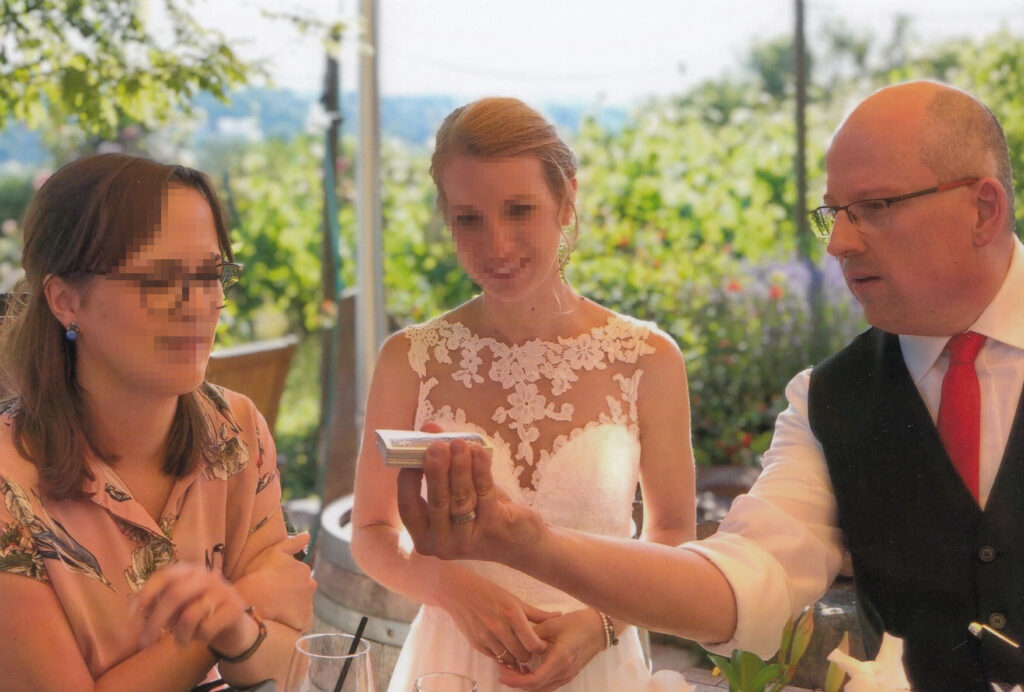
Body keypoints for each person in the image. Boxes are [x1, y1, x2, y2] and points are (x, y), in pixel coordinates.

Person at [396, 81, 1024, 692]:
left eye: (875, 208)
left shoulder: (647, 355)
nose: (838, 242)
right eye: (834, 213)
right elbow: (747, 580)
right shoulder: (829, 401)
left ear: (983, 209)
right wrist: (532, 546)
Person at [350, 97, 696, 691]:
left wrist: (602, 623)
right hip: (453, 663)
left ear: (566, 201)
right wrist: (450, 588)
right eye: (469, 219)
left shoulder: (649, 359)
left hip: (600, 669)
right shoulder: (410, 359)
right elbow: (371, 533)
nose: (496, 244)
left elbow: (672, 533)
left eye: (519, 210)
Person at [0, 153, 316, 691]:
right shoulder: (9, 485)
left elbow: (292, 662)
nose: (199, 305)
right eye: (162, 279)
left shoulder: (235, 428)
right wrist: (224, 619)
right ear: (65, 300)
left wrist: (236, 627)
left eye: (210, 274)